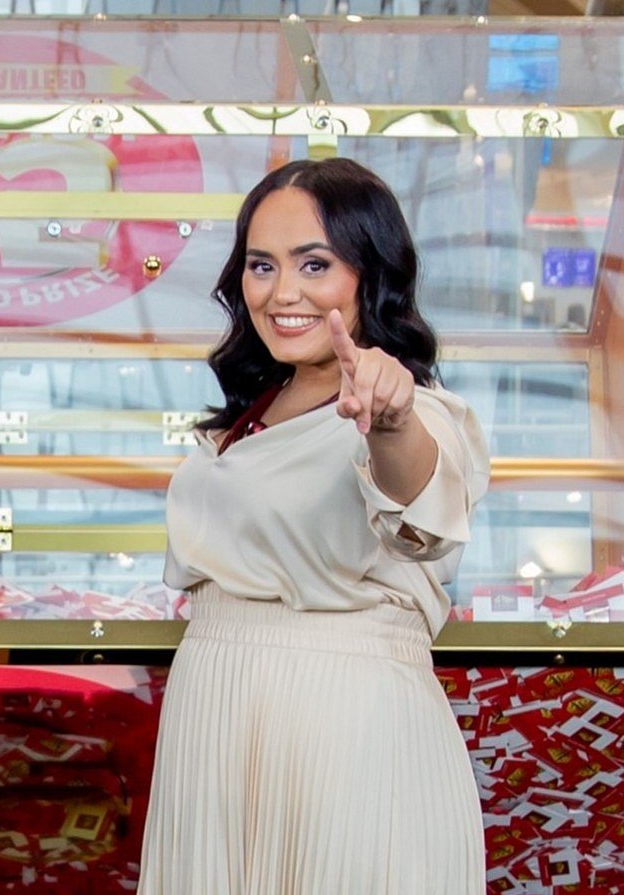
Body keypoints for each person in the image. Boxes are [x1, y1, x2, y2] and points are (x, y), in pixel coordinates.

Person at [137, 157, 490, 894]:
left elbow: (418, 509)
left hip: (341, 724)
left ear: (371, 274)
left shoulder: (411, 409)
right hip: (215, 718)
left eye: (315, 264)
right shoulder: (255, 407)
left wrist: (390, 421)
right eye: (261, 265)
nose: (282, 292)